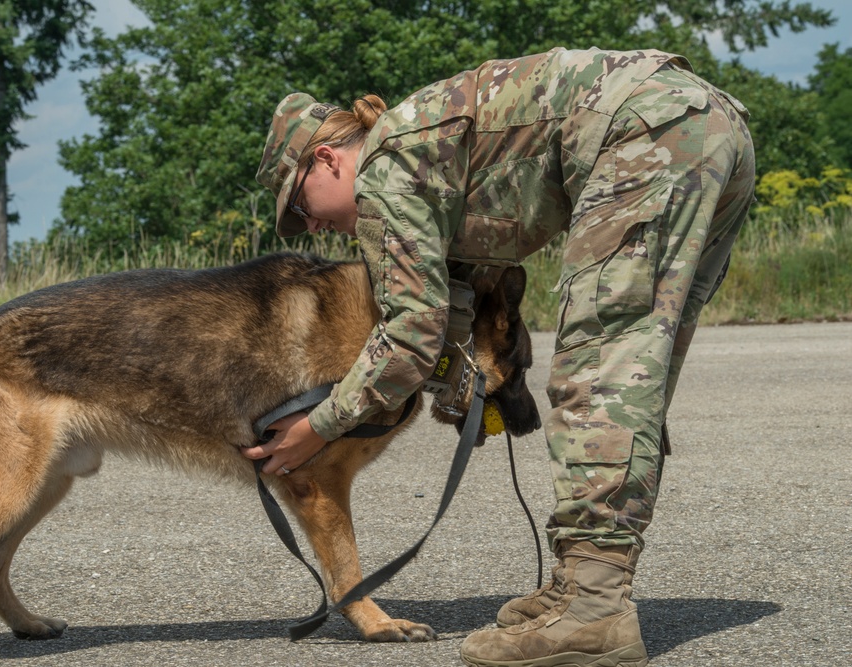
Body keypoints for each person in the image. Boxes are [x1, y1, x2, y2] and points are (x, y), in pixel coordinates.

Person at [245, 47, 755, 667]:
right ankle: (582, 582)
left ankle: (595, 611)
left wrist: (316, 427)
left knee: (599, 374)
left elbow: (412, 332)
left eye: (301, 206)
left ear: (325, 159)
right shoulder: (421, 148)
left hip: (645, 129)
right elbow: (463, 301)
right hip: (708, 125)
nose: (315, 228)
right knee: (638, 369)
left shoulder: (382, 170)